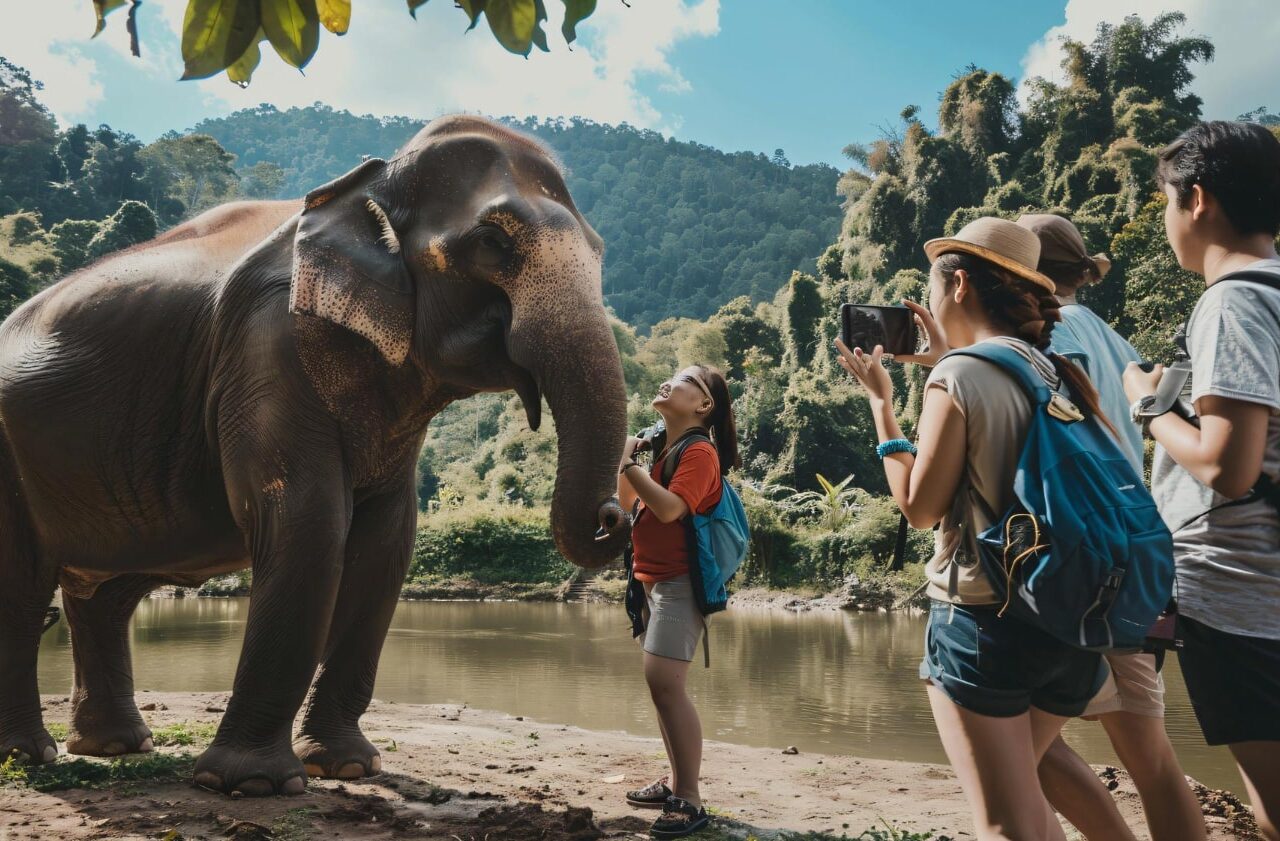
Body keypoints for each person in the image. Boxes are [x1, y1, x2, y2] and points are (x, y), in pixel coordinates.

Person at [837, 217, 1112, 841]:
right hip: (1072, 621)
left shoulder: (957, 376)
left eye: (931, 290)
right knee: (1028, 802)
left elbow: (919, 507)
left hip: (988, 618)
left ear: (958, 286)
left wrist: (883, 406)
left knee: (1002, 823)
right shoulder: (1054, 368)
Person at [1017, 213, 1205, 841]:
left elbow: (1046, 426)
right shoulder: (1113, 339)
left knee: (1015, 737)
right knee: (1149, 758)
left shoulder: (1054, 335)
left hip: (1084, 562)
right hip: (1138, 558)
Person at [1122, 121, 1280, 841]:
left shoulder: (1234, 301)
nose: (1165, 223)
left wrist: (1149, 408)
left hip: (1246, 593)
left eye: (1163, 203)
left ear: (1198, 200)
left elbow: (1225, 463)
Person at [617, 364, 739, 839]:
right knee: (661, 688)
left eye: (686, 380)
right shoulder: (665, 449)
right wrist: (629, 461)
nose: (671, 381)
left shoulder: (700, 451)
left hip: (681, 583)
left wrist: (628, 462)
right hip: (652, 580)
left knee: (665, 684)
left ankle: (689, 798)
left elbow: (670, 509)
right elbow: (631, 502)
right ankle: (675, 782)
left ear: (704, 405)